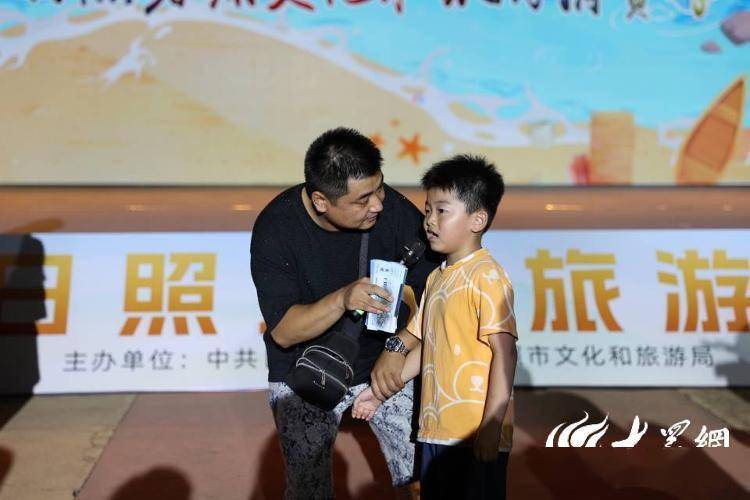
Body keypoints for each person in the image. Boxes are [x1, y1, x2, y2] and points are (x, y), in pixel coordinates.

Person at [250, 127, 437, 499]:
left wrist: (399, 347)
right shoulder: (277, 229)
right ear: (321, 201)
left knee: (425, 476)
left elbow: (440, 292)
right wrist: (343, 299)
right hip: (304, 370)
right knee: (308, 491)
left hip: (386, 363)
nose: (378, 204)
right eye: (363, 199)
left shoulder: (394, 213)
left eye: (379, 189)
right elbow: (284, 332)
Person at [353, 155, 518, 500]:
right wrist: (379, 392)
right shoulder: (437, 278)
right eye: (427, 210)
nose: (429, 220)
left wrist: (491, 424)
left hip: (472, 432)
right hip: (434, 430)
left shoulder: (487, 276)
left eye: (442, 211)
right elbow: (425, 345)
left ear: (478, 219)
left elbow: (505, 353)